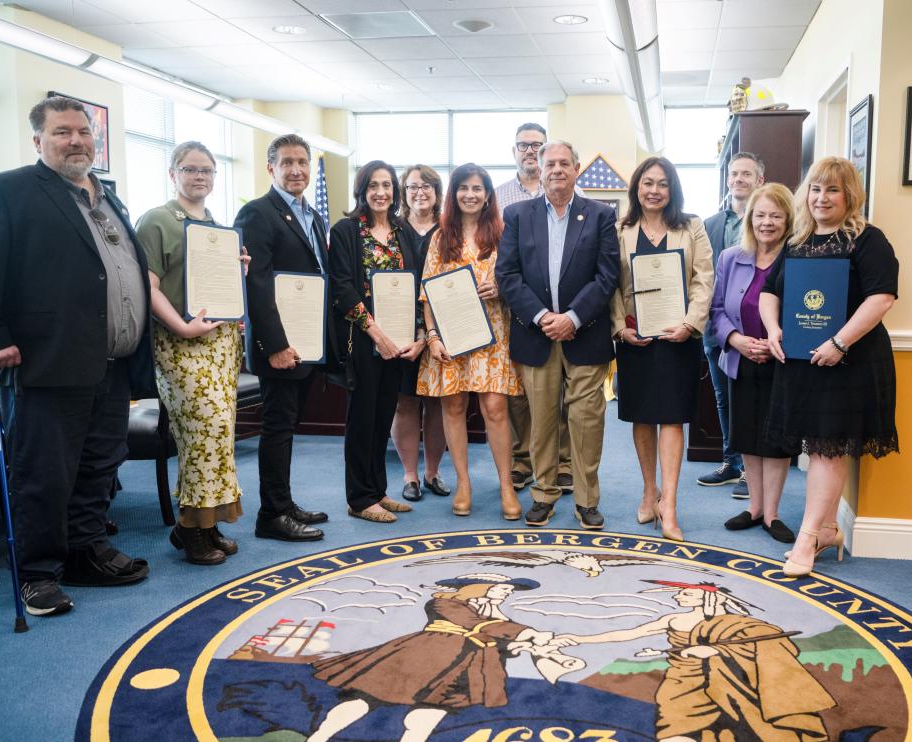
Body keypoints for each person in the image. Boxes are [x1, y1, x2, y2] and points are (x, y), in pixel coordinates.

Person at [0, 96, 151, 616]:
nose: (76, 141)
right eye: (62, 132)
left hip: (111, 363)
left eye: (83, 133)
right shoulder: (7, 190)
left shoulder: (106, 196)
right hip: (45, 362)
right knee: (44, 473)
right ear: (38, 141)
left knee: (99, 467)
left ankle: (84, 552)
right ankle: (37, 574)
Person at [761, 157, 899, 576]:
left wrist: (839, 342)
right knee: (821, 448)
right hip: (803, 364)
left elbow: (883, 297)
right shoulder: (797, 240)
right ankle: (826, 531)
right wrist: (772, 329)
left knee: (827, 449)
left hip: (849, 362)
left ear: (849, 195)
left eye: (833, 190)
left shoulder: (867, 240)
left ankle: (807, 540)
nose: (822, 198)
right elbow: (770, 292)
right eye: (816, 189)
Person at [497, 140, 620, 531]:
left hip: (586, 334)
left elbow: (607, 276)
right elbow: (507, 275)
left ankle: (587, 501)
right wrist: (540, 315)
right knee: (542, 421)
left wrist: (572, 317)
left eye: (565, 163)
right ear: (539, 167)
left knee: (586, 421)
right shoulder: (517, 214)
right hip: (536, 335)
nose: (556, 170)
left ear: (577, 168)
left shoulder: (601, 215)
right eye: (550, 163)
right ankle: (543, 494)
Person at [136, 141, 246, 565]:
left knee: (219, 436)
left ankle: (207, 522)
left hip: (220, 343)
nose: (199, 176)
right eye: (190, 169)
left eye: (207, 170)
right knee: (201, 432)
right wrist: (181, 326)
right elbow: (149, 287)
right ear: (173, 173)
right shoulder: (158, 221)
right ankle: (188, 527)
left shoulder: (216, 225)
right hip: (181, 342)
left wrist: (238, 272)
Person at [554, 580, 834, 740]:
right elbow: (627, 633)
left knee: (749, 730)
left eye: (685, 592)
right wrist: (580, 639)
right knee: (675, 729)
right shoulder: (674, 619)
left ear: (707, 595)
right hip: (681, 682)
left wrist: (715, 651)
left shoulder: (737, 623)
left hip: (732, 683)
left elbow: (769, 645)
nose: (679, 596)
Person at [309, 574, 550, 741]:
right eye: (503, 588)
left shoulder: (494, 612)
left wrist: (525, 644)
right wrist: (529, 633)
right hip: (426, 652)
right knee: (367, 696)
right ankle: (320, 737)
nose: (507, 593)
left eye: (508, 590)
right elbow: (477, 626)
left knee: (432, 711)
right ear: (480, 587)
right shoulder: (444, 603)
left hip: (465, 662)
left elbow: (496, 638)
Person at [611, 157, 714, 542]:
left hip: (678, 337)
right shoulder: (620, 229)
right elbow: (611, 285)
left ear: (673, 189)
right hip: (636, 337)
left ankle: (669, 504)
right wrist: (620, 327)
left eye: (662, 184)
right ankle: (648, 490)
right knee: (642, 416)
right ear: (636, 187)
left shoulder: (691, 226)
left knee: (672, 418)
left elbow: (705, 278)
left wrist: (690, 324)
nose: (654, 190)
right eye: (647, 182)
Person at [234, 134, 329, 543]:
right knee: (277, 428)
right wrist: (274, 345)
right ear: (270, 167)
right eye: (287, 162)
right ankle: (271, 515)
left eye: (302, 162)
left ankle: (284, 502)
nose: (296, 170)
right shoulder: (257, 213)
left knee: (289, 426)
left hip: (307, 342)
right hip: (280, 346)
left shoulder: (312, 215)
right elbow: (256, 284)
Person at [417, 163, 523, 521]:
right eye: (464, 188)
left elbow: (519, 280)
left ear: (488, 194)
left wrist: (502, 288)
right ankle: (463, 483)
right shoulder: (439, 237)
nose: (470, 194)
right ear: (454, 193)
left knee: (495, 408)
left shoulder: (504, 233)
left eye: (478, 188)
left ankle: (506, 485)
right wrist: (432, 337)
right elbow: (427, 293)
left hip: (492, 335)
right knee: (454, 407)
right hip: (450, 337)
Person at [329, 160, 424, 523]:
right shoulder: (346, 231)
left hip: (398, 342)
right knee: (362, 419)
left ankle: (378, 491)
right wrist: (376, 333)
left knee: (384, 415)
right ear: (362, 191)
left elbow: (415, 286)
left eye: (387, 185)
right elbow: (342, 288)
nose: (381, 192)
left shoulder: (403, 231)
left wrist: (417, 335)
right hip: (364, 339)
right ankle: (359, 497)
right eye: (373, 186)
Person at [710, 183, 797, 543]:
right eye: (760, 215)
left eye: (776, 216)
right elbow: (715, 311)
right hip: (741, 358)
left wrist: (777, 341)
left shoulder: (798, 259)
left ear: (788, 220)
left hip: (782, 360)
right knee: (747, 433)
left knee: (774, 438)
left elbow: (809, 314)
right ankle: (755, 507)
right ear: (750, 218)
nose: (767, 222)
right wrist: (737, 341)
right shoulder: (731, 258)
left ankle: (772, 513)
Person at [496, 122, 574, 496]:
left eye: (536, 145)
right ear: (515, 152)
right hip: (516, 312)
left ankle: (561, 463)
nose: (530, 151)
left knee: (559, 396)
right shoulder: (498, 199)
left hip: (566, 317)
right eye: (523, 146)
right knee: (521, 397)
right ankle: (523, 459)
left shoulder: (573, 196)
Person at [701, 152, 765, 498]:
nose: (738, 179)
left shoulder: (767, 220)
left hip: (755, 330)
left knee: (750, 400)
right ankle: (731, 462)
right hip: (716, 327)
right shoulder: (711, 223)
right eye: (734, 173)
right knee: (723, 399)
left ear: (759, 181)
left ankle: (750, 472)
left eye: (746, 174)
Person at [391, 165, 449, 503]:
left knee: (438, 402)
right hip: (402, 329)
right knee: (405, 402)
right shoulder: (392, 229)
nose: (420, 192)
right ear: (404, 192)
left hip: (443, 328)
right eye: (412, 186)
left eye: (427, 186)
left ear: (438, 193)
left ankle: (433, 472)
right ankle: (410, 475)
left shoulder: (448, 229)